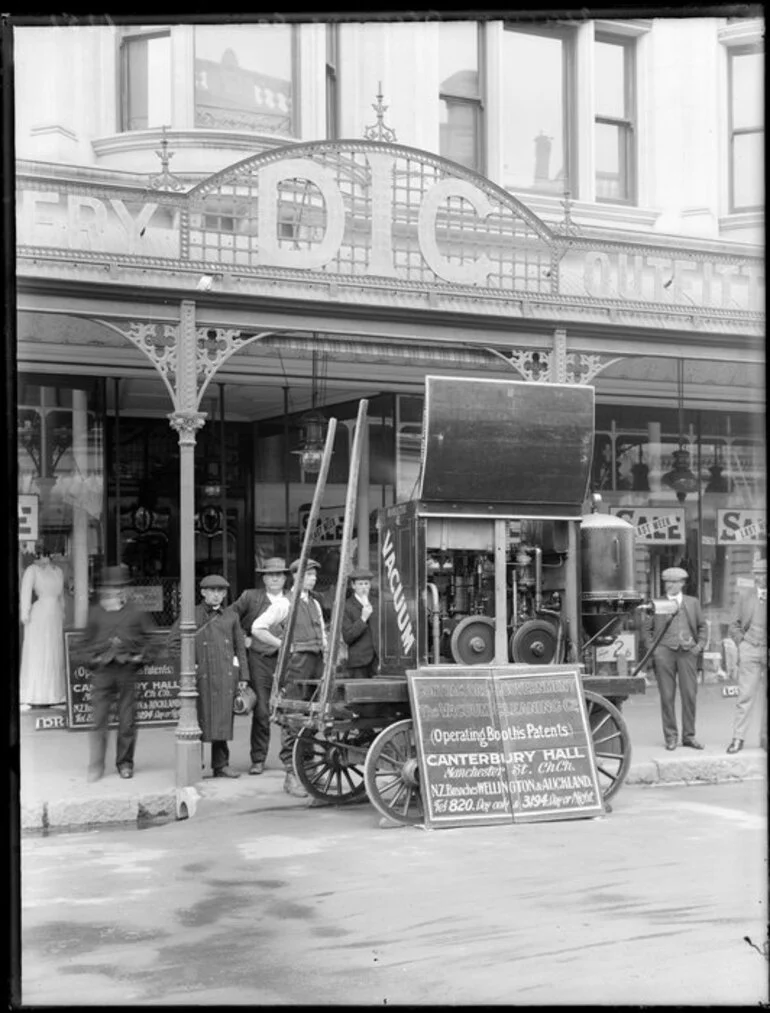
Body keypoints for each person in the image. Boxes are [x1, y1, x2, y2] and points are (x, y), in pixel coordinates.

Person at [251, 557, 327, 798]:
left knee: (312, 719)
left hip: (316, 665)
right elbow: (257, 627)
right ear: (297, 576)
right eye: (309, 575)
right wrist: (283, 645)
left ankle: (309, 771)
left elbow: (323, 634)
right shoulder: (285, 603)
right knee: (293, 720)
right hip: (296, 668)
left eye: (315, 575)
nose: (313, 579)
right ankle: (292, 775)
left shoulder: (314, 604)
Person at [74, 564, 156, 782]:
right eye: (111, 588)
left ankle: (125, 763)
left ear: (126, 590)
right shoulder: (95, 613)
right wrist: (92, 659)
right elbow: (81, 644)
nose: (115, 591)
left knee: (127, 719)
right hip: (102, 672)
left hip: (127, 670)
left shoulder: (137, 612)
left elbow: (152, 641)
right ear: (104, 590)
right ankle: (96, 765)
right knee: (98, 719)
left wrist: (141, 657)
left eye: (120, 587)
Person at [167, 574, 249, 778]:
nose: (217, 595)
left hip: (224, 675)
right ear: (203, 592)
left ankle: (221, 765)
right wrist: (188, 667)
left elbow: (240, 647)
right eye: (212, 590)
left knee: (222, 719)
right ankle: (197, 764)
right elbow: (173, 643)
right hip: (200, 676)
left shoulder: (231, 616)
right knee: (199, 720)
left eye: (221, 591)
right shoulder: (191, 614)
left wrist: (243, 677)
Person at [231, 557, 291, 776]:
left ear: (285, 577)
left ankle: (294, 758)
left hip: (289, 661)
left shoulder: (294, 598)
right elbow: (229, 617)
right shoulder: (251, 597)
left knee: (293, 710)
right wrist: (243, 638)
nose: (275, 578)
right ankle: (258, 759)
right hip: (259, 660)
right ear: (264, 578)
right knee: (262, 711)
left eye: (279, 574)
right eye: (270, 574)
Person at [644, 566, 708, 751]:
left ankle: (689, 736)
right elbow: (646, 629)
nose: (669, 585)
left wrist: (699, 646)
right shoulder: (656, 603)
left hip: (688, 653)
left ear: (682, 583)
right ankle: (671, 737)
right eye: (667, 582)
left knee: (689, 695)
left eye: (673, 582)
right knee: (667, 696)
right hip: (664, 653)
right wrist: (654, 651)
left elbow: (702, 626)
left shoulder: (692, 602)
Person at [726, 557, 767, 754]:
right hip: (750, 648)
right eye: (758, 573)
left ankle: (765, 739)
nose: (761, 577)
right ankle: (738, 738)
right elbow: (733, 624)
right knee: (745, 696)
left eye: (764, 573)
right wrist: (741, 643)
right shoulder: (745, 596)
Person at [19, 541, 66, 708]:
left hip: (55, 615)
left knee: (54, 652)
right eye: (43, 553)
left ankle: (55, 694)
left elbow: (61, 597)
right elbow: (25, 592)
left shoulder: (58, 571)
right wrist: (24, 613)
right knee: (39, 651)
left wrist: (63, 612)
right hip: (39, 615)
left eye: (48, 554)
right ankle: (33, 694)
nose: (46, 557)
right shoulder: (32, 570)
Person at [342, 567, 380, 678]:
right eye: (360, 584)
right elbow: (347, 637)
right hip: (358, 662)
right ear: (353, 586)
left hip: (377, 660)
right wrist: (363, 619)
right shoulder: (346, 606)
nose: (364, 587)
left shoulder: (377, 602)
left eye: (366, 584)